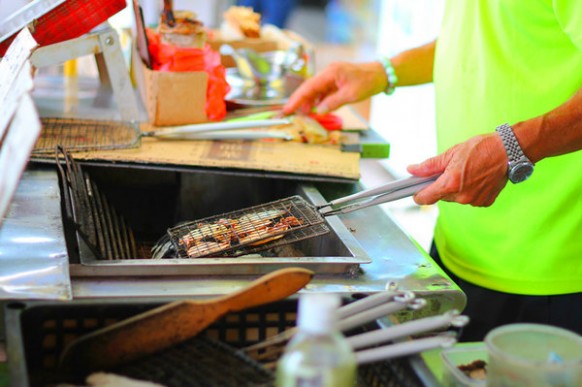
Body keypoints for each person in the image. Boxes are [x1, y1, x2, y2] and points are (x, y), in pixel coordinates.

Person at [283, 1, 582, 341]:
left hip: (553, 272)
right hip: (461, 244)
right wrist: (384, 72)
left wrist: (510, 148)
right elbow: (490, 41)